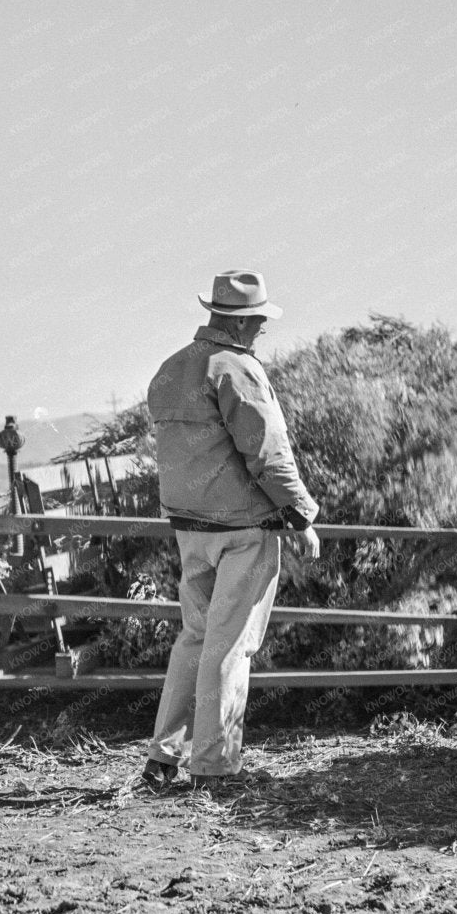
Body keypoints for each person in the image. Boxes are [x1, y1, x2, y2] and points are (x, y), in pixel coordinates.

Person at [141, 271, 321, 795]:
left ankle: (163, 758)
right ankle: (214, 768)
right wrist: (301, 515)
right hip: (241, 530)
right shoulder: (237, 370)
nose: (263, 329)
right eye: (260, 321)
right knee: (230, 646)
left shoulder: (171, 368)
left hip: (188, 529)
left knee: (195, 639)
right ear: (242, 322)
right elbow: (266, 453)